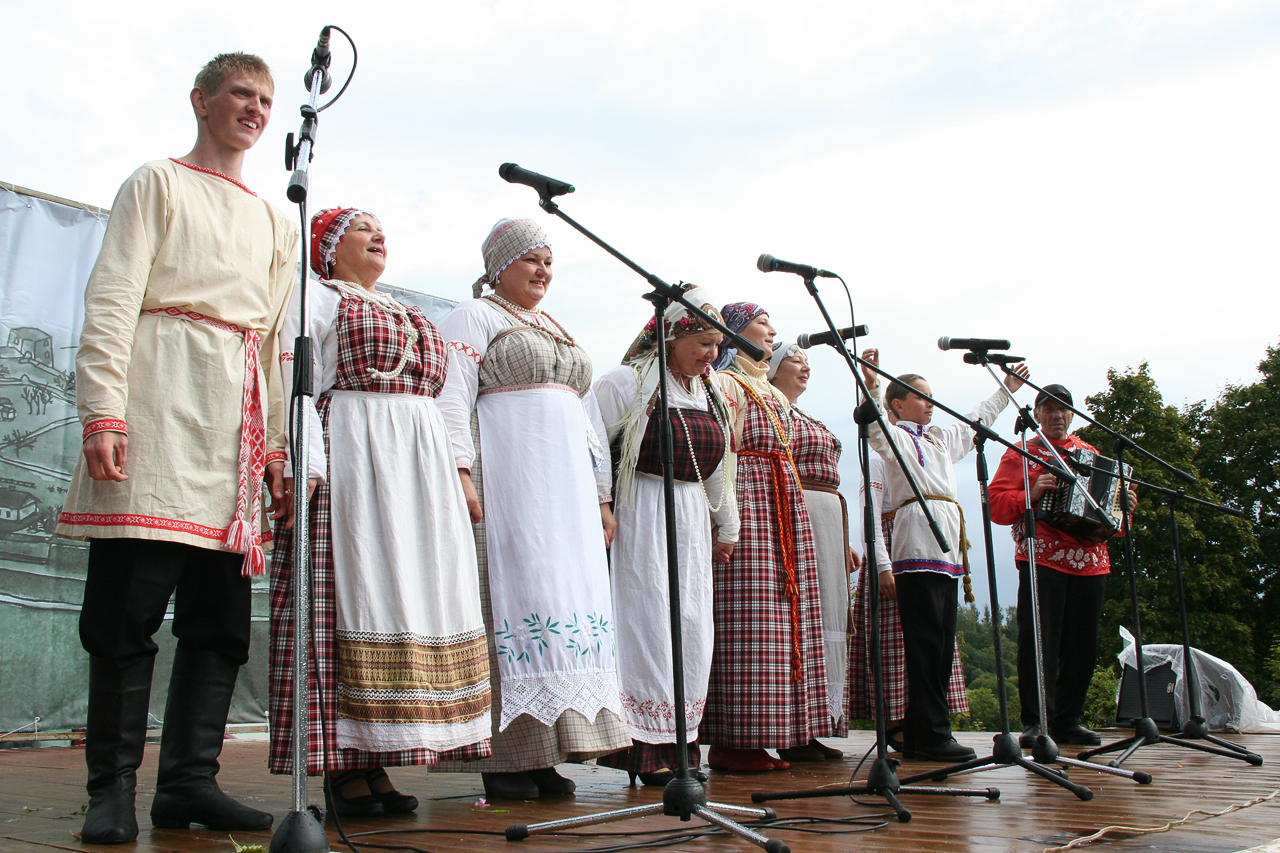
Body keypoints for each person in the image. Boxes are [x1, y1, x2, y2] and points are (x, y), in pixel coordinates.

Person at [56, 53, 297, 844]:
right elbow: (113, 296)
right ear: (201, 100)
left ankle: (189, 781)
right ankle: (112, 787)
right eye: (241, 94)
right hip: (158, 403)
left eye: (265, 99)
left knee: (219, 619)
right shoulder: (157, 182)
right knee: (127, 610)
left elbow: (272, 342)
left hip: (234, 427)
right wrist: (104, 411)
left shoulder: (276, 220)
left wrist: (277, 451)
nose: (255, 108)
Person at [266, 209, 492, 815]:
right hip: (356, 451)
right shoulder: (316, 300)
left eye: (380, 229)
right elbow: (299, 385)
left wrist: (459, 473)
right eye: (361, 228)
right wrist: (307, 466)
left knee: (409, 597)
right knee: (361, 591)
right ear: (328, 247)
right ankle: (344, 767)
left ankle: (379, 759)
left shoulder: (405, 311)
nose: (377, 236)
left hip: (419, 466)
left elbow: (445, 403)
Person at [432, 218, 630, 800]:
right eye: (530, 260)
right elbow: (451, 395)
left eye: (548, 262)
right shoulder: (474, 316)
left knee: (558, 601)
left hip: (565, 491)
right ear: (498, 267)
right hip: (509, 478)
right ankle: (504, 760)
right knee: (507, 598)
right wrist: (459, 471)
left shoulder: (555, 327)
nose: (542, 271)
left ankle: (546, 750)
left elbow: (588, 422)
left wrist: (600, 497)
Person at [593, 286, 738, 785]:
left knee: (691, 626)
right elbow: (593, 447)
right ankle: (643, 747)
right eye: (702, 342)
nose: (711, 353)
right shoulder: (627, 382)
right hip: (642, 512)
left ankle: (682, 746)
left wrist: (727, 526)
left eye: (716, 344)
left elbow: (720, 464)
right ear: (672, 336)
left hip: (692, 517)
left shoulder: (709, 392)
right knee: (648, 622)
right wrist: (602, 505)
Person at [860, 349, 1027, 761]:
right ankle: (930, 733)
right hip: (916, 543)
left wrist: (1006, 390)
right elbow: (873, 427)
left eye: (932, 396)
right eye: (921, 396)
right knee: (925, 642)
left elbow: (976, 421)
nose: (930, 403)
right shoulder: (897, 438)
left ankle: (928, 731)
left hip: (946, 547)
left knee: (941, 641)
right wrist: (871, 385)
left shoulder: (938, 439)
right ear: (899, 404)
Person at [701, 304, 831, 772]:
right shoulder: (727, 383)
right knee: (749, 614)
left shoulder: (768, 389)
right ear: (736, 331)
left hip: (781, 503)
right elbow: (722, 451)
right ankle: (734, 740)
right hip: (750, 498)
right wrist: (725, 519)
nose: (772, 331)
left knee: (781, 618)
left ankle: (777, 732)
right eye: (762, 323)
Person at [988, 383, 1137, 747]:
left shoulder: (1091, 453)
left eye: (1063, 409)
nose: (1057, 415)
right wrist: (1032, 491)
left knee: (1082, 644)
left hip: (1091, 562)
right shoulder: (1022, 452)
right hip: (1043, 559)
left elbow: (1114, 523)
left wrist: (1125, 508)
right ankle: (1037, 721)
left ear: (1072, 415)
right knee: (1039, 641)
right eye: (1049, 409)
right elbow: (996, 505)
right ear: (1037, 414)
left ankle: (1069, 719)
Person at [847, 418, 970, 751]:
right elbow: (870, 514)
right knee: (894, 640)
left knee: (926, 637)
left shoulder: (929, 448)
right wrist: (882, 566)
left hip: (922, 542)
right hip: (894, 547)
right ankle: (894, 721)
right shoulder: (880, 457)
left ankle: (922, 718)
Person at [765, 342, 855, 761]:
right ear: (772, 367)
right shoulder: (772, 411)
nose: (805, 368)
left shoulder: (805, 416)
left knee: (828, 615)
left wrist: (843, 540)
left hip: (826, 518)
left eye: (808, 362)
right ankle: (792, 728)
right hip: (794, 513)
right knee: (801, 618)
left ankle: (816, 722)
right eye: (795, 359)